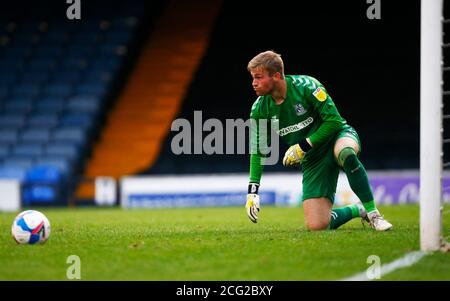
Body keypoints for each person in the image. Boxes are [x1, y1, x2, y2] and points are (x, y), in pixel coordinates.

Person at [245, 50, 392, 231]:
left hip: (336, 137)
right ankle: (357, 210)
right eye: (253, 78)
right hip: (312, 158)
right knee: (317, 225)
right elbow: (258, 149)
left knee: (346, 152)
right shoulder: (259, 108)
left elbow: (334, 121)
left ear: (276, 76)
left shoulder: (307, 86)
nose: (254, 83)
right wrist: (253, 191)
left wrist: (302, 146)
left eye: (258, 77)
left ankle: (374, 214)